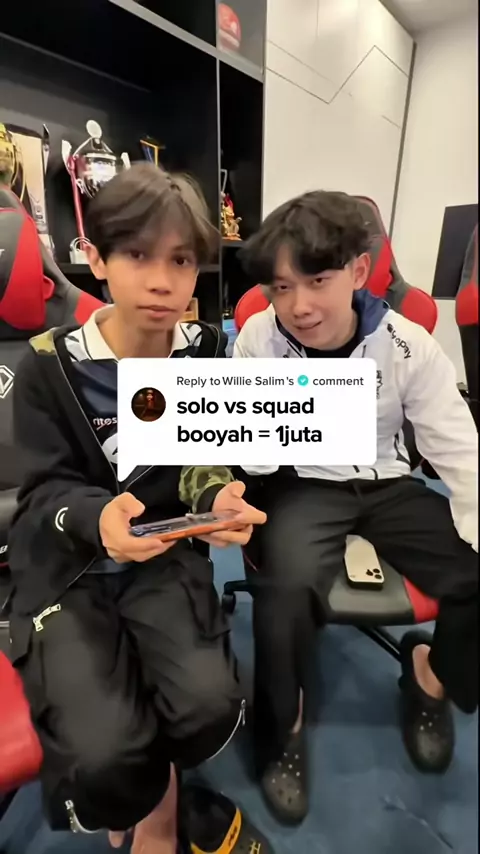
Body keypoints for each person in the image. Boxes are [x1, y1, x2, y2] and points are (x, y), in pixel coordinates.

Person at [8, 163, 271, 854]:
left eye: (180, 260)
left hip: (161, 556)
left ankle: (160, 794)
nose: (162, 281)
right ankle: (146, 808)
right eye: (136, 255)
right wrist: (97, 519)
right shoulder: (48, 368)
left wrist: (217, 496)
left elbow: (202, 462)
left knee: (207, 704)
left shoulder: (206, 353)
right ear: (95, 259)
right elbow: (41, 492)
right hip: (69, 569)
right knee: (105, 754)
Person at [233, 190, 478, 825]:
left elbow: (458, 447)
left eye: (318, 281)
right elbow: (247, 455)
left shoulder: (406, 344)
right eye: (282, 287)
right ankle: (282, 726)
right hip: (303, 480)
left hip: (385, 480)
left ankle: (429, 676)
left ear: (359, 271)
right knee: (283, 588)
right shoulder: (259, 337)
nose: (299, 305)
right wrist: (263, 424)